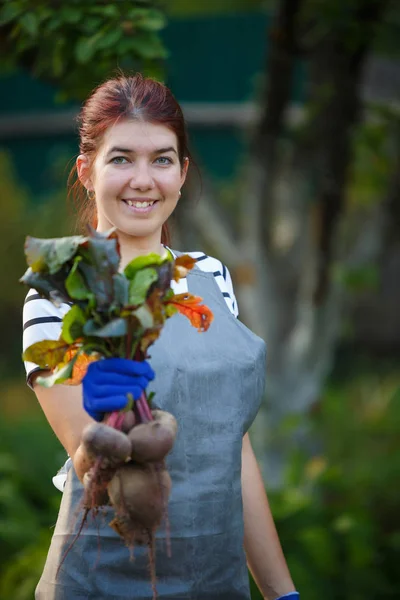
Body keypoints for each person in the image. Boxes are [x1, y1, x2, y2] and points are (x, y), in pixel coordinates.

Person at [22, 73, 299, 600]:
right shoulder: (60, 288)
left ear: (183, 171)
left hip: (217, 583)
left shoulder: (209, 277)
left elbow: (233, 452)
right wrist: (103, 430)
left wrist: (281, 592)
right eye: (121, 158)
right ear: (87, 171)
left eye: (162, 159)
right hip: (102, 582)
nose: (143, 180)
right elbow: (88, 470)